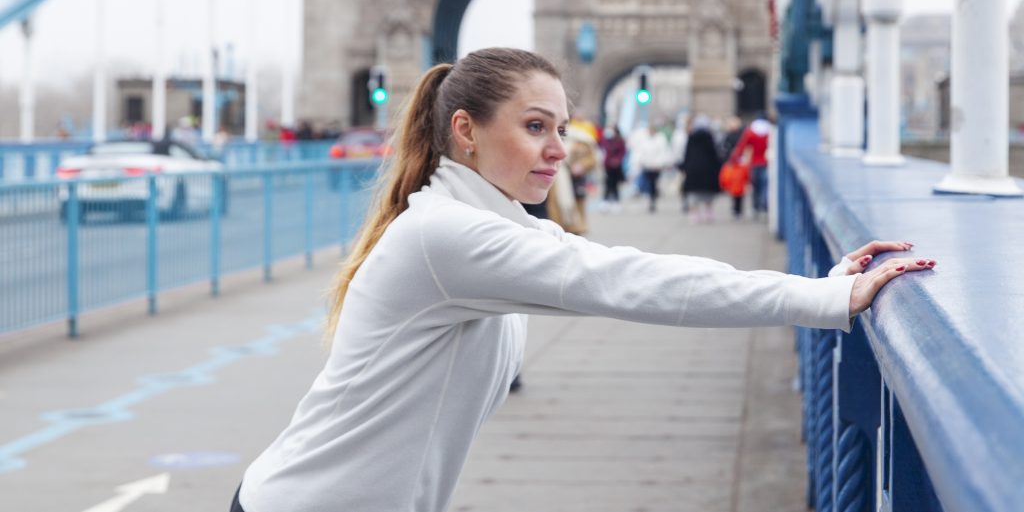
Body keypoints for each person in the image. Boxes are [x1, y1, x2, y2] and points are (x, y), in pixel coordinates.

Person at [230, 47, 935, 512]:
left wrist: (822, 282)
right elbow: (630, 280)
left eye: (562, 128)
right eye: (536, 126)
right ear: (467, 131)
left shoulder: (484, 221)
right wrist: (822, 297)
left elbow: (627, 267)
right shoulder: (448, 234)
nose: (557, 150)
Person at [680, 115, 723, 223]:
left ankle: (694, 214)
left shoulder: (691, 137)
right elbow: (714, 154)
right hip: (708, 169)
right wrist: (718, 166)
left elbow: (687, 154)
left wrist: (685, 167)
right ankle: (709, 212)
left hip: (693, 168)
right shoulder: (709, 137)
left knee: (693, 194)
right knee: (708, 193)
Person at [731, 114, 771, 218]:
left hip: (754, 162)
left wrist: (735, 158)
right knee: (765, 186)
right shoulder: (770, 132)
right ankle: (765, 206)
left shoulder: (751, 132)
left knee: (755, 187)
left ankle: (756, 207)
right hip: (766, 162)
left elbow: (742, 146)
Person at [631, 124, 673, 212]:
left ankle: (653, 200)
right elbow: (640, 151)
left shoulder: (660, 139)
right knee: (647, 183)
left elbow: (663, 152)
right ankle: (649, 199)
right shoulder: (644, 140)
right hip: (646, 165)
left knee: (654, 183)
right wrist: (638, 162)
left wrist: (662, 163)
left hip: (656, 165)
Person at [598, 125, 627, 211]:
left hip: (617, 167)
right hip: (607, 166)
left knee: (615, 185)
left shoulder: (620, 140)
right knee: (607, 184)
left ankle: (616, 202)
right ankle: (605, 202)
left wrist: (617, 160)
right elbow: (603, 149)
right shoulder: (605, 140)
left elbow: (622, 152)